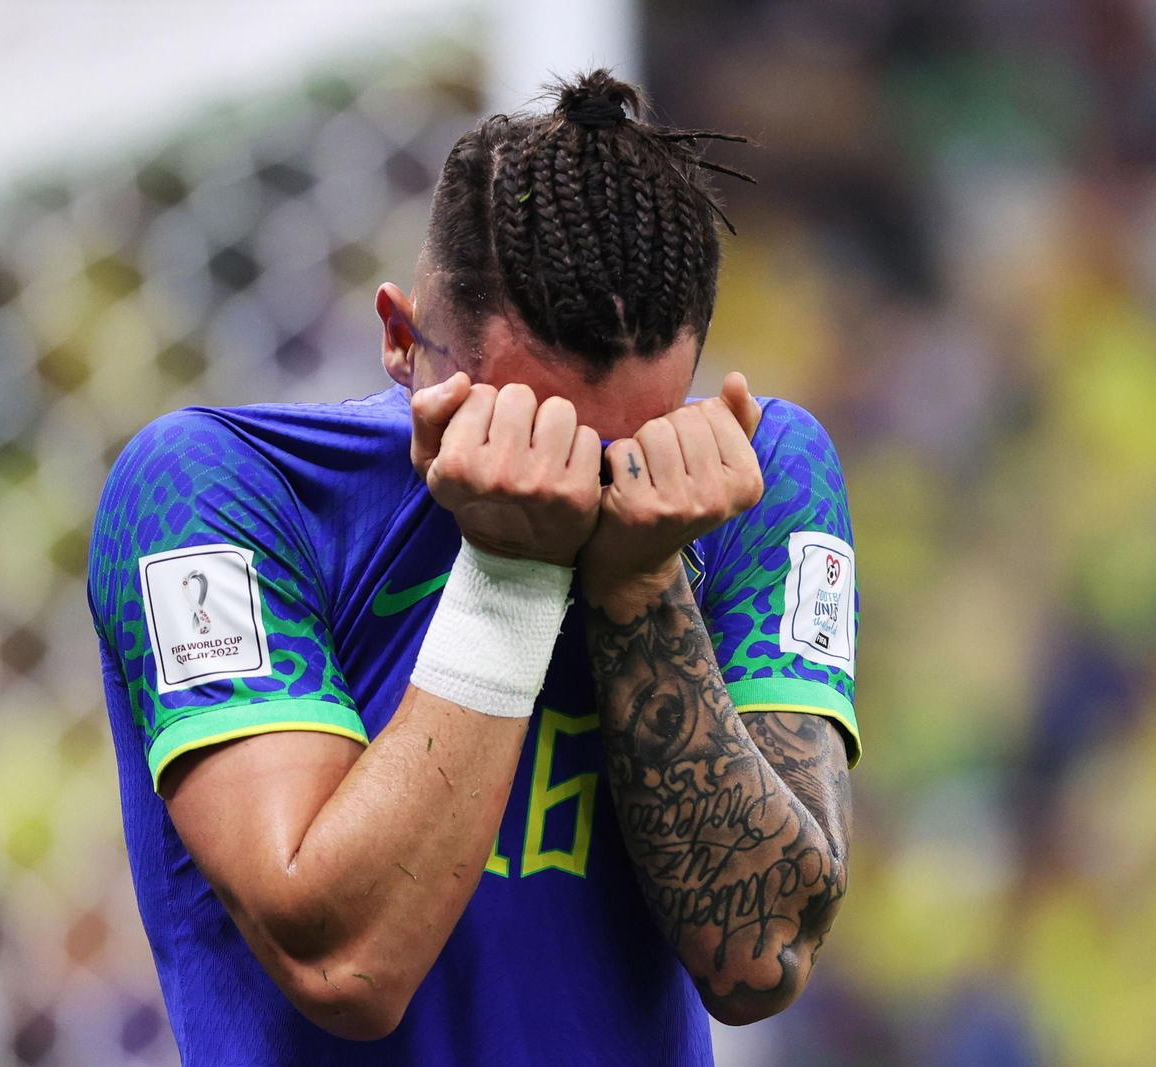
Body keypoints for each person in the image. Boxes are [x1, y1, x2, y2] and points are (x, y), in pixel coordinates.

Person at [88, 70, 860, 1066]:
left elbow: (763, 955)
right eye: (516, 427)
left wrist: (641, 583)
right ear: (400, 341)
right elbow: (343, 963)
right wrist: (512, 573)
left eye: (607, 452)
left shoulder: (752, 482)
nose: (563, 486)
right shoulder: (216, 492)